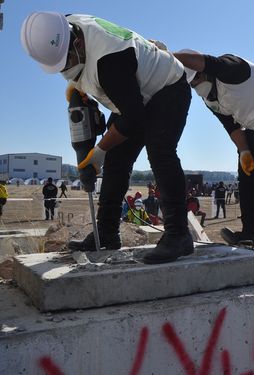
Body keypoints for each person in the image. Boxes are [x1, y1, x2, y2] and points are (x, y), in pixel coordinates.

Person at [21, 12, 193, 263]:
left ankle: (179, 235)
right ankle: (107, 233)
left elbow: (133, 119)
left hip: (168, 87)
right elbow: (126, 107)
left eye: (66, 63)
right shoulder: (65, 25)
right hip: (134, 90)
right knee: (117, 161)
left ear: (77, 44)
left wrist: (98, 152)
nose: (65, 70)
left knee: (161, 153)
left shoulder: (109, 61)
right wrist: (78, 86)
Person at [173, 49, 254, 251]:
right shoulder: (209, 99)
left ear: (203, 72)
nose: (195, 85)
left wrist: (166, 55)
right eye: (191, 84)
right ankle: (251, 233)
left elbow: (205, 61)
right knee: (246, 178)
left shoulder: (230, 67)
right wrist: (244, 151)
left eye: (195, 80)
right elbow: (231, 126)